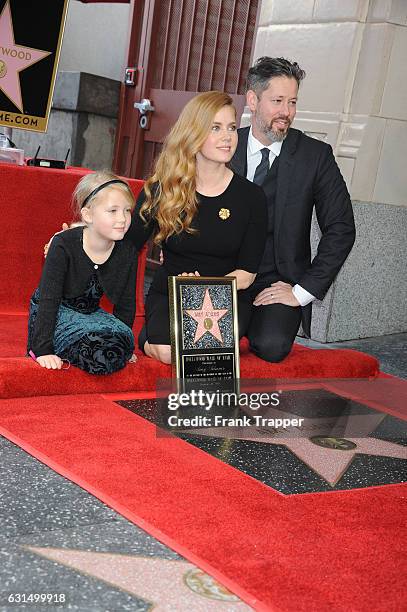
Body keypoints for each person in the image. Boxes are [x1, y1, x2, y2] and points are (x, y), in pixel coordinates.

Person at [229, 57, 356, 362]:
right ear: (252, 100)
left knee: (271, 347)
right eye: (277, 101)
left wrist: (301, 291)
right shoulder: (224, 145)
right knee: (215, 345)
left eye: (293, 102)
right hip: (224, 276)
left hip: (278, 282)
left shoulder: (316, 156)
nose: (286, 112)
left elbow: (341, 228)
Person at [127, 90, 268, 364]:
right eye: (215, 128)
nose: (228, 137)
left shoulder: (252, 197)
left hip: (225, 297)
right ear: (194, 133)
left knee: (197, 355)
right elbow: (128, 243)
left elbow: (248, 274)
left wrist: (202, 286)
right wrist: (81, 236)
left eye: (231, 127)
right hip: (170, 291)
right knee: (169, 353)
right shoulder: (163, 188)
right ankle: (148, 340)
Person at [28, 171, 138, 374]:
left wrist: (125, 341)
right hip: (56, 311)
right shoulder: (63, 244)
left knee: (114, 345)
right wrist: (42, 349)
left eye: (127, 210)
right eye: (112, 211)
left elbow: (126, 303)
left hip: (90, 314)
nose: (122, 219)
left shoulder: (128, 251)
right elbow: (48, 297)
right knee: (98, 349)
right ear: (88, 215)